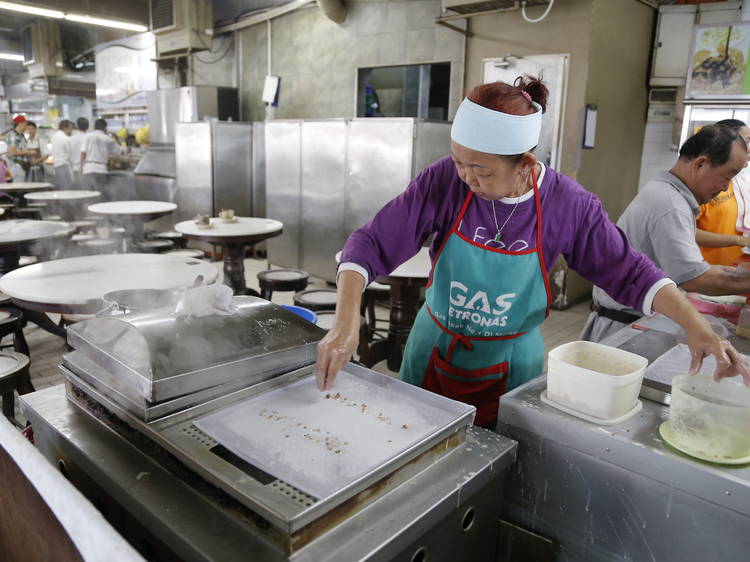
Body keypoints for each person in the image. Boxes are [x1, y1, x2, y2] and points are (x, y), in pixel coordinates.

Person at [315, 78, 750, 428]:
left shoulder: (568, 204)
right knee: (409, 438)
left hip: (510, 362)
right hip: (435, 347)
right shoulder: (444, 180)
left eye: (480, 170)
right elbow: (371, 242)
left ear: (524, 165)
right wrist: (345, 321)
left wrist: (697, 327)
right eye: (458, 161)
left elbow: (631, 272)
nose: (464, 177)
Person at [582, 124, 750, 344]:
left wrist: (738, 274)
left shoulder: (672, 196)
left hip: (635, 320)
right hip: (623, 328)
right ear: (700, 164)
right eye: (727, 177)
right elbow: (695, 278)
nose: (725, 187)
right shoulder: (670, 203)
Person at [695, 119, 750, 265]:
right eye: (747, 142)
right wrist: (739, 240)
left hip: (736, 270)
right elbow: (685, 232)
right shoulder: (705, 185)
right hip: (706, 272)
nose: (749, 149)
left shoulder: (740, 183)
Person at [80, 118, 120, 200]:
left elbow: (83, 153)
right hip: (101, 170)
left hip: (88, 169)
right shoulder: (108, 139)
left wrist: (81, 168)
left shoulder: (87, 136)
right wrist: (115, 140)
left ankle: (88, 212)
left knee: (88, 196)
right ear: (105, 128)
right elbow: (118, 152)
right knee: (101, 196)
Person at [3, 115, 35, 181]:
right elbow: (13, 152)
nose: (26, 126)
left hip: (23, 166)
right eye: (25, 124)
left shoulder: (21, 135)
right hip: (16, 166)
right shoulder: (13, 135)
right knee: (18, 188)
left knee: (24, 188)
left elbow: (21, 149)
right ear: (20, 124)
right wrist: (28, 152)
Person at [51, 120, 75, 188]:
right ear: (65, 128)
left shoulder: (55, 136)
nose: (71, 130)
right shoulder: (65, 138)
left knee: (61, 189)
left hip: (56, 166)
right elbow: (71, 153)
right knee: (67, 188)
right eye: (70, 128)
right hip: (64, 166)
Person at [68, 117, 89, 187]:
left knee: (77, 193)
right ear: (88, 126)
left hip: (75, 169)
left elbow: (69, 155)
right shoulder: (90, 138)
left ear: (77, 126)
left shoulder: (71, 139)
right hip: (87, 169)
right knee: (88, 193)